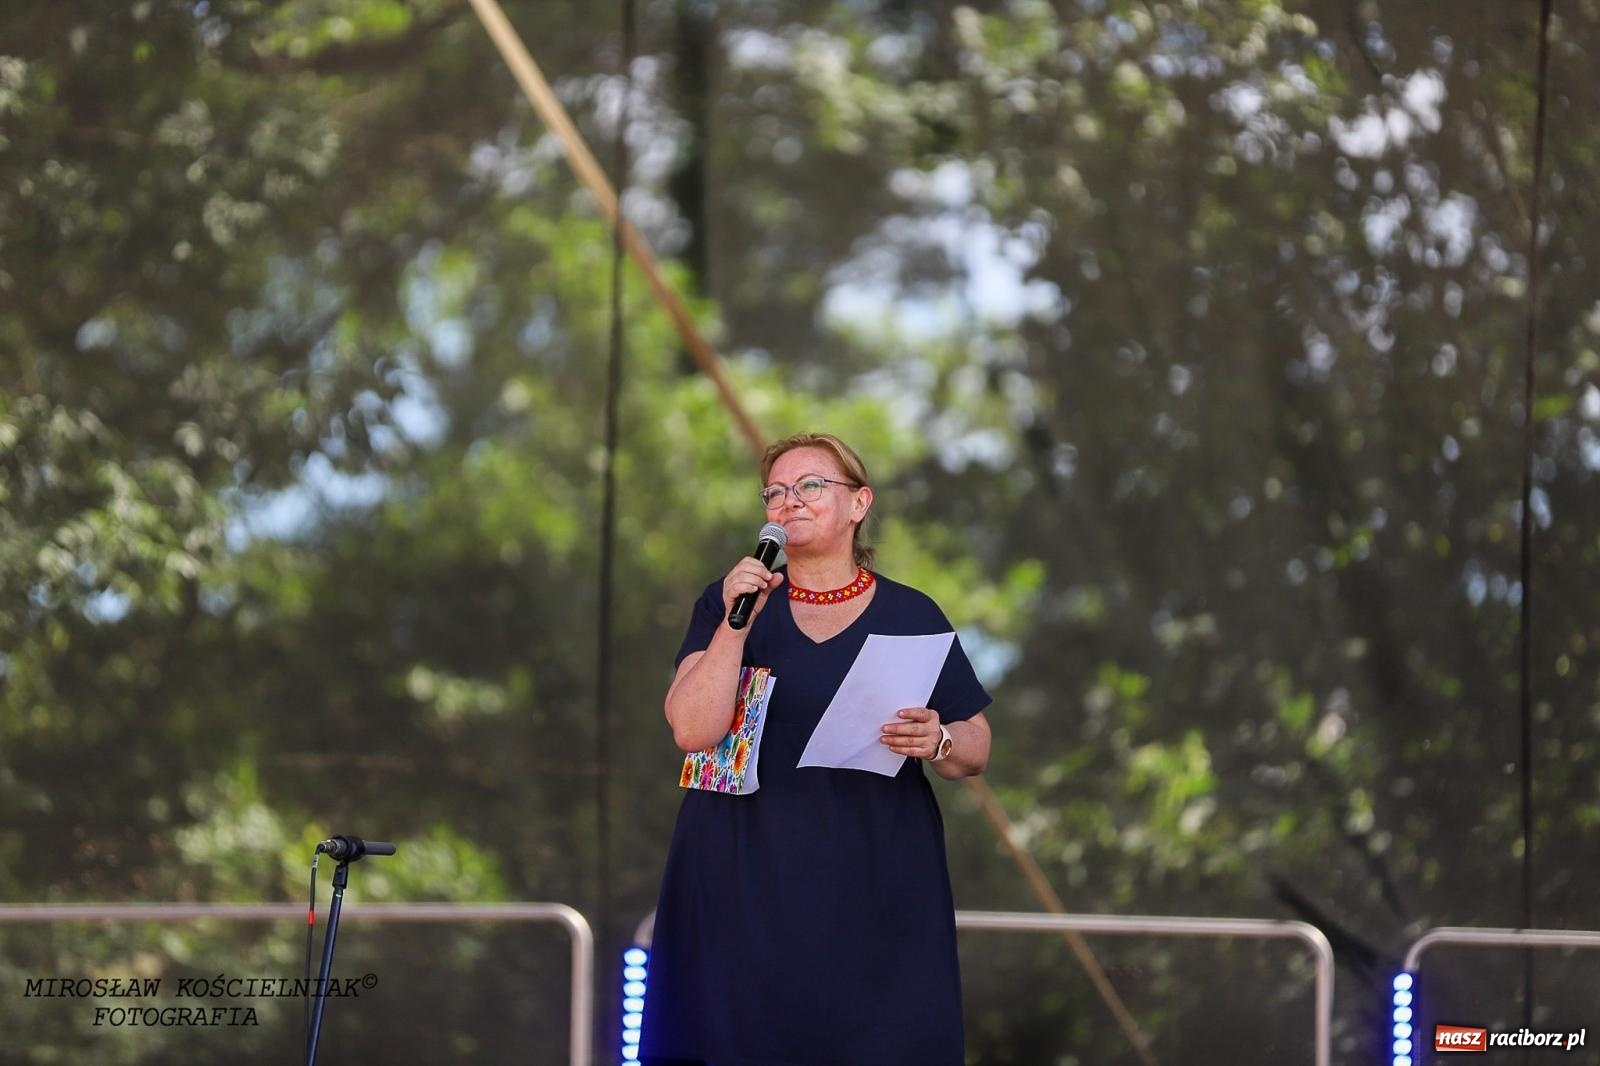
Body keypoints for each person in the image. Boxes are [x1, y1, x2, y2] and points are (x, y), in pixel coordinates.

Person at [640, 432, 993, 1066]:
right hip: (739, 874)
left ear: (859, 504)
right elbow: (693, 729)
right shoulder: (727, 605)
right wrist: (734, 619)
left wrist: (936, 736)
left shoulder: (911, 614)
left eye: (810, 486)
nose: (788, 501)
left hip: (869, 877)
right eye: (775, 492)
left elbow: (974, 744)